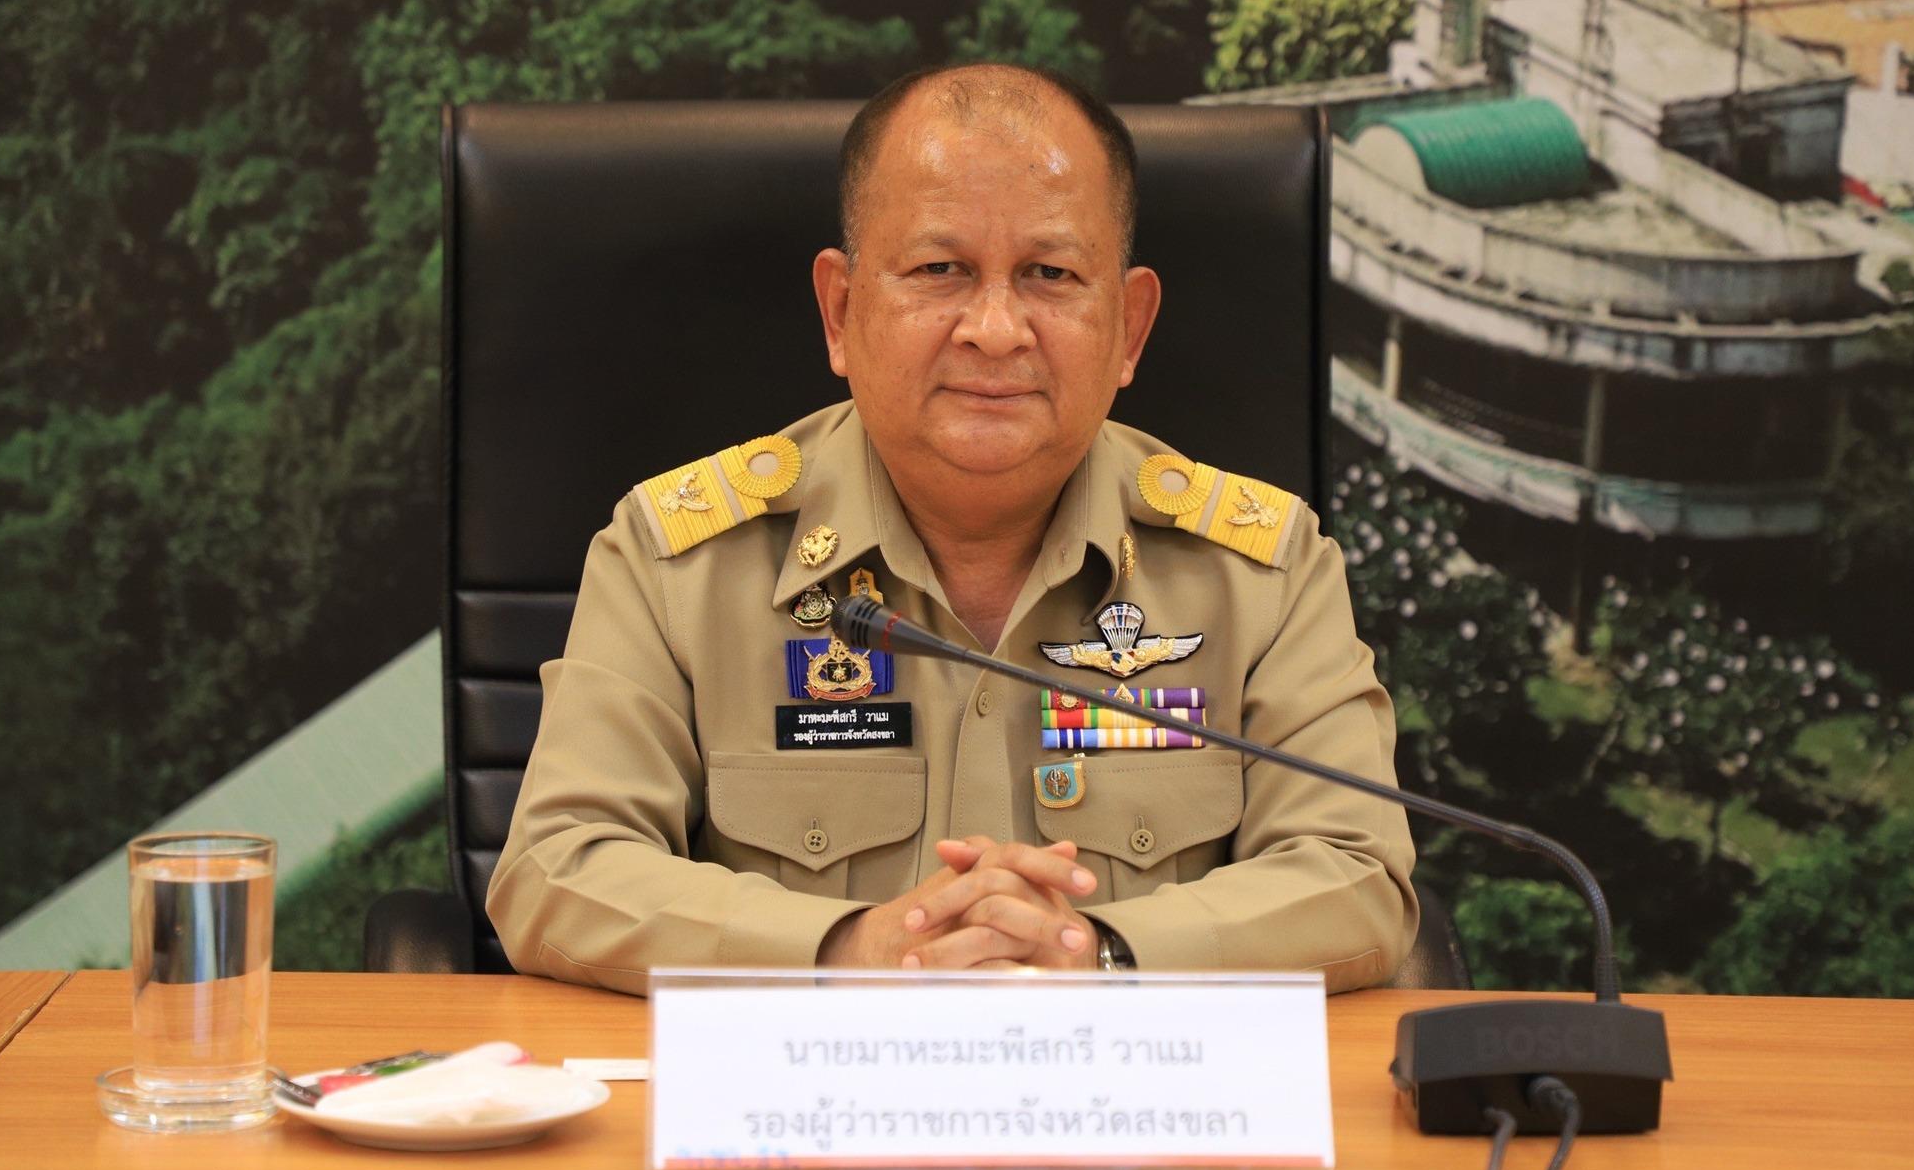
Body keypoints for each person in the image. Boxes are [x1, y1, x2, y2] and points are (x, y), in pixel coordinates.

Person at [486, 64, 1417, 992]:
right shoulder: (676, 561)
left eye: (1051, 274)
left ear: (1129, 329)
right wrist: (848, 950)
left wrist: (1096, 954)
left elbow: (1354, 869)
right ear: (841, 311)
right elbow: (559, 863)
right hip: (814, 1081)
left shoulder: (1264, 572)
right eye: (941, 270)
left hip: (1134, 1079)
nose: (996, 328)